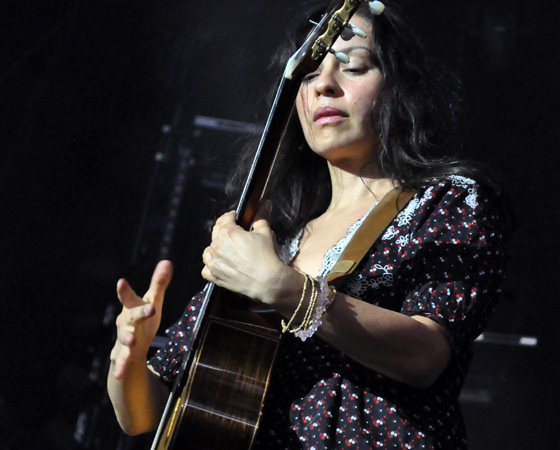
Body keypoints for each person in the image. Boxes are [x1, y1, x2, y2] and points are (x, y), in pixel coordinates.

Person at [107, 1, 507, 448]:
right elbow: (151, 414)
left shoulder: (448, 199)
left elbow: (425, 355)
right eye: (309, 76)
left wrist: (285, 290)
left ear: (398, 85)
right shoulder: (273, 237)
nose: (324, 87)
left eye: (352, 68)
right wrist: (130, 358)